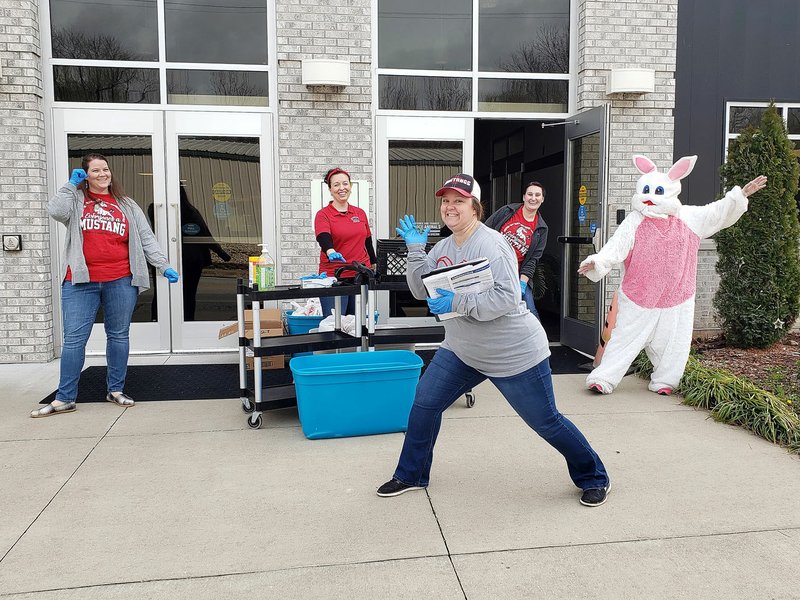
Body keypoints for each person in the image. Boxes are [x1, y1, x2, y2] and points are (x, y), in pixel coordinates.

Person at [376, 173, 610, 507]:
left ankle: (594, 476)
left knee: (546, 421)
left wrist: (456, 302)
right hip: (462, 350)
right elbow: (418, 288)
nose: (450, 207)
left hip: (513, 353)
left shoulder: (492, 244)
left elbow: (506, 298)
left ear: (475, 207)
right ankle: (411, 474)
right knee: (424, 405)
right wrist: (415, 250)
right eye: (446, 201)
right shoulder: (442, 247)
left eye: (459, 201)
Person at [31, 154, 180, 418]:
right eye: (96, 170)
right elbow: (55, 211)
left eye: (106, 169)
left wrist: (163, 264)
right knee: (74, 341)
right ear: (85, 174)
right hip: (80, 283)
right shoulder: (76, 200)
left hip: (121, 280)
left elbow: (146, 238)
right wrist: (69, 185)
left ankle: (116, 389)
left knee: (119, 336)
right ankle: (65, 397)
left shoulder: (126, 204)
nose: (103, 174)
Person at [313, 167, 376, 316]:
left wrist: (374, 264)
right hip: (333, 275)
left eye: (345, 183)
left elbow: (367, 240)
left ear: (350, 186)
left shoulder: (359, 213)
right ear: (330, 189)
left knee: (357, 323)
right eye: (336, 185)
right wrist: (330, 251)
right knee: (334, 323)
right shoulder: (323, 214)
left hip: (360, 274)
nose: (342, 188)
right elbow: (323, 236)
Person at [485, 181, 549, 319]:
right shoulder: (507, 211)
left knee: (530, 311)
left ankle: (537, 341)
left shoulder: (542, 229)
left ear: (542, 199)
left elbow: (533, 259)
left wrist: (522, 283)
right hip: (492, 269)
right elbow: (485, 230)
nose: (533, 198)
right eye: (530, 194)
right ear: (524, 197)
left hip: (517, 274)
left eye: (537, 195)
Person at [177, 186, 231, 321]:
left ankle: (160, 321)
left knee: (162, 294)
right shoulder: (191, 211)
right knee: (189, 294)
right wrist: (222, 253)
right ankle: (188, 322)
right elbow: (205, 234)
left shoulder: (154, 210)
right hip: (193, 259)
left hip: (175, 257)